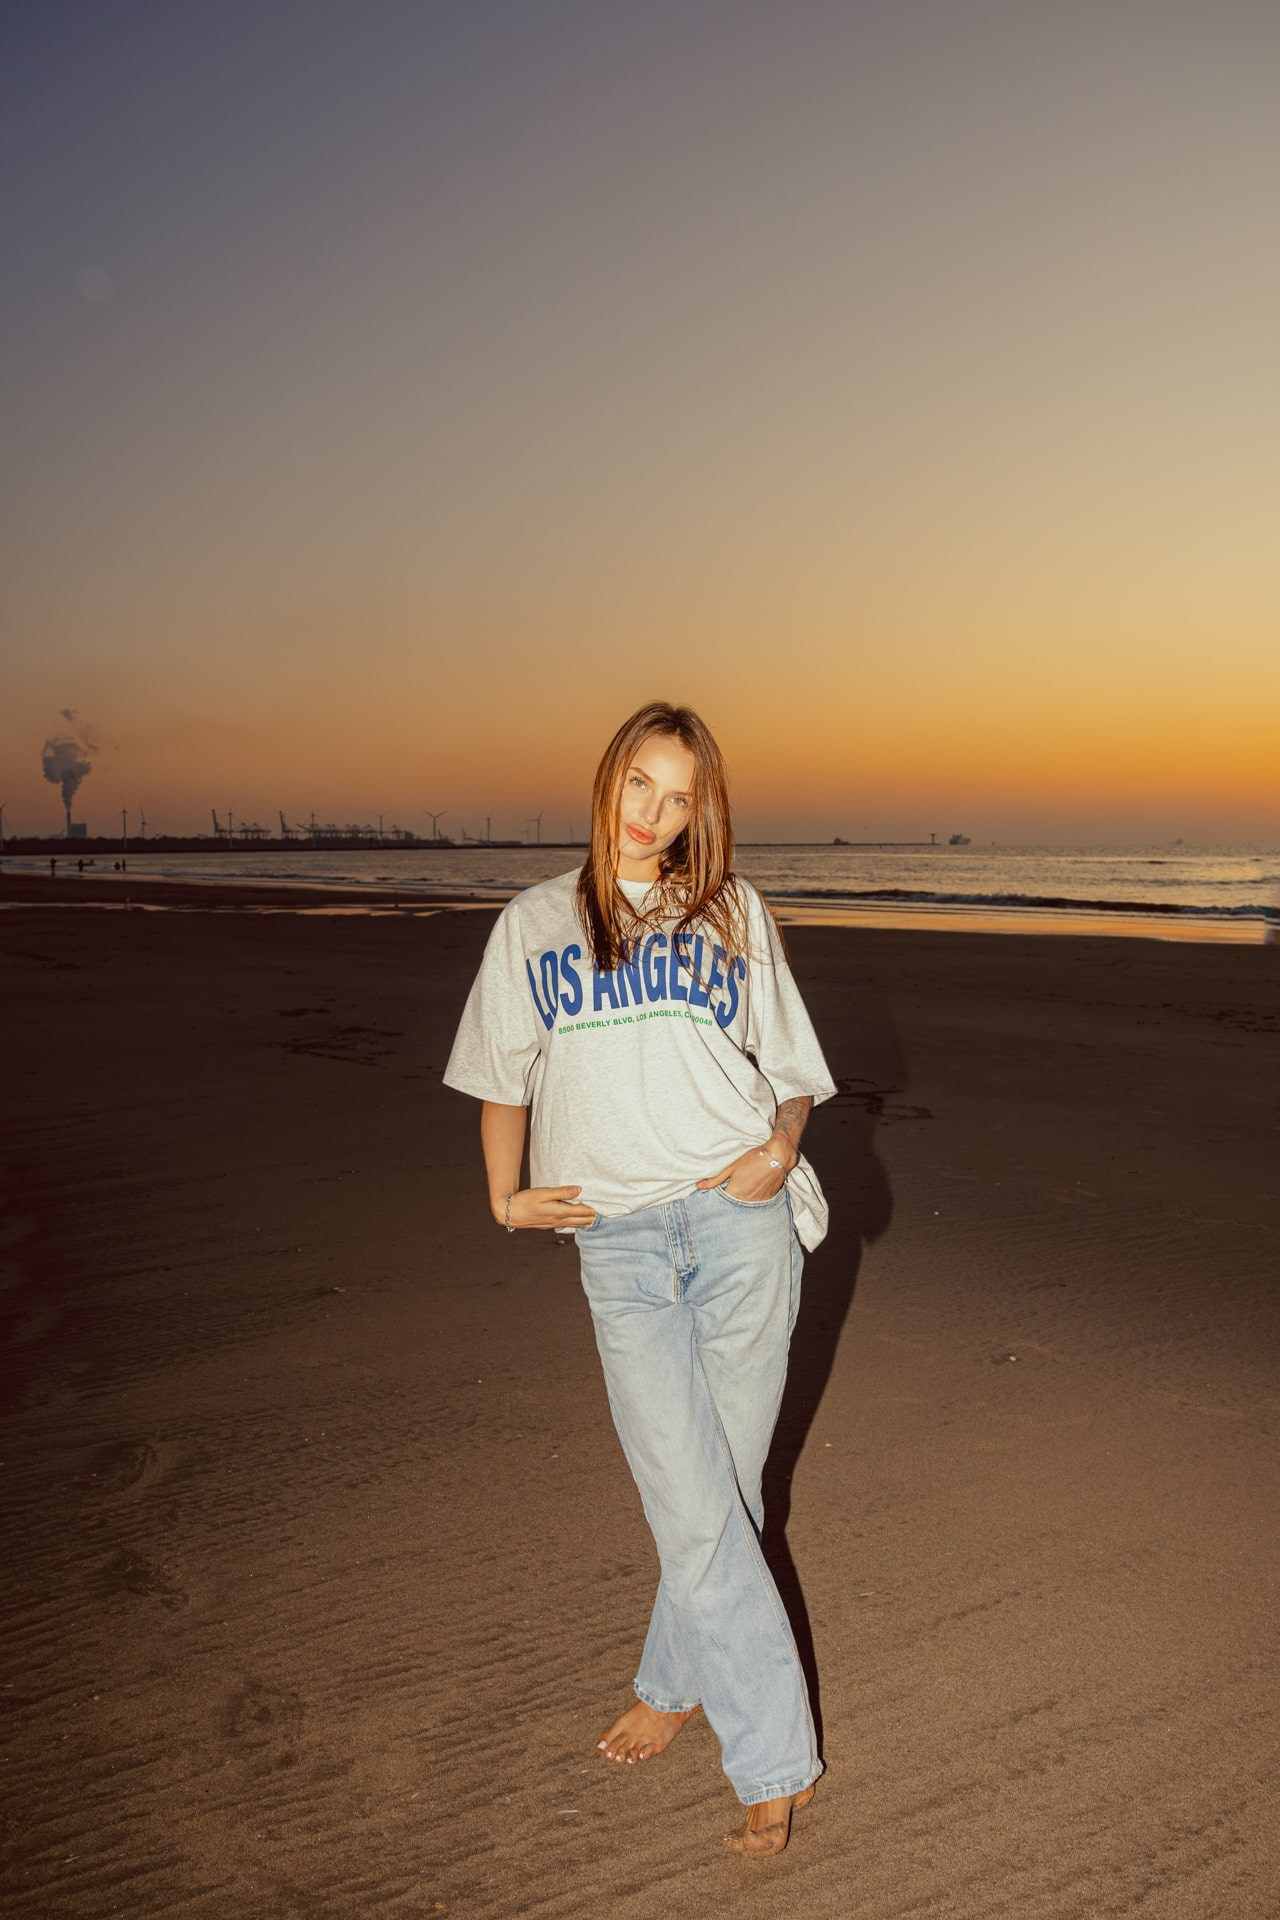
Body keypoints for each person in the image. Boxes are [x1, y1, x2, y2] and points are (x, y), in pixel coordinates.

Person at [444, 701, 835, 1857]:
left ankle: (680, 1695)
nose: (652, 817)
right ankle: (773, 1756)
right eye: (638, 787)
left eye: (678, 800)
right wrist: (504, 1194)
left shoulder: (730, 913)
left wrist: (775, 1156)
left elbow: (793, 1072)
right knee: (694, 1493)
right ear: (605, 777)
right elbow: (500, 1073)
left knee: (720, 1492)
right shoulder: (532, 923)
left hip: (737, 1223)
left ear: (699, 813)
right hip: (616, 1240)